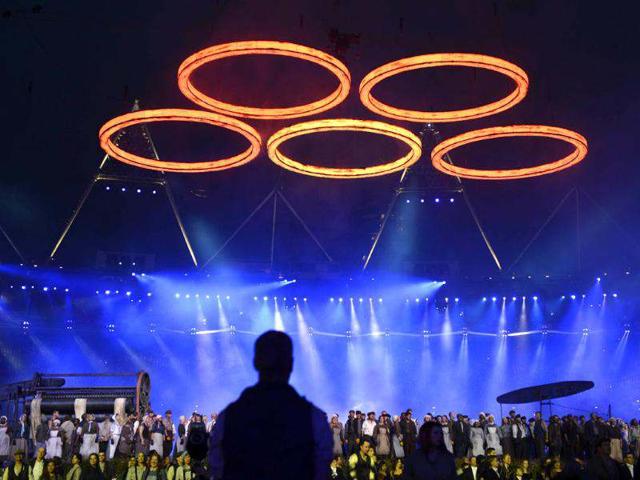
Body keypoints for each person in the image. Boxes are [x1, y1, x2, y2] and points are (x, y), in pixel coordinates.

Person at [208, 330, 332, 480]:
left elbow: (217, 469)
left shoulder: (227, 418)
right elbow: (321, 471)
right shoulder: (315, 419)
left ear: (255, 362)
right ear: (291, 364)